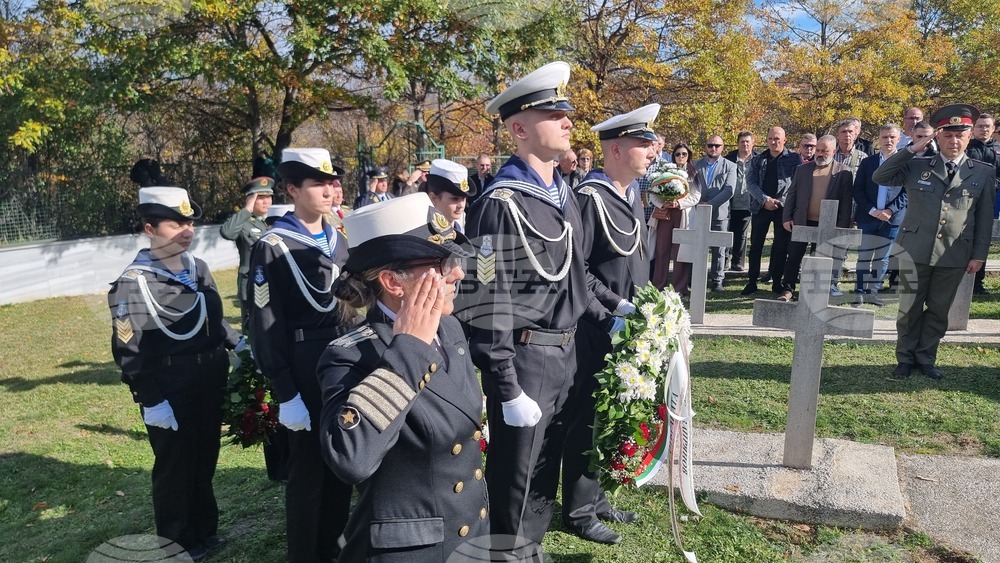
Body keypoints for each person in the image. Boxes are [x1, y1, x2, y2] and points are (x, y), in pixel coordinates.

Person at [459, 61, 615, 560]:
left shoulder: (561, 193)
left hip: (566, 352)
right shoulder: (501, 202)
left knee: (545, 464)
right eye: (553, 112)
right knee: (516, 471)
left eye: (566, 111)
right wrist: (504, 384)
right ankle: (508, 553)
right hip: (525, 359)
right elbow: (486, 302)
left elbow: (574, 277)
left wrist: (616, 311)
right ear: (520, 128)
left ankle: (531, 546)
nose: (568, 120)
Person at [317, 193, 486, 562]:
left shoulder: (450, 327)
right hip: (412, 551)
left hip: (468, 530)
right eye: (443, 264)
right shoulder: (349, 355)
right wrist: (409, 347)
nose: (457, 272)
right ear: (393, 282)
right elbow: (350, 459)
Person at [109, 187, 241, 561]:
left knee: (204, 457)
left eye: (189, 221)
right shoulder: (134, 282)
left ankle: (204, 530)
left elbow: (213, 320)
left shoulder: (197, 268)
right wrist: (150, 399)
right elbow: (128, 349)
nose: (187, 229)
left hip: (209, 376)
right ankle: (177, 541)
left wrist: (237, 343)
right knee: (175, 467)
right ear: (150, 227)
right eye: (175, 222)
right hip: (169, 385)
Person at [247, 148, 358, 562]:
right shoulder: (273, 246)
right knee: (309, 472)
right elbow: (264, 322)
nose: (330, 190)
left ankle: (335, 547)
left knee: (342, 459)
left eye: (331, 182)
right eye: (318, 183)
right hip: (303, 362)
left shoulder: (339, 237)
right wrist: (285, 391)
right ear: (292, 189)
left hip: (343, 358)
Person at [563, 104, 657, 545]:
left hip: (627, 323)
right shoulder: (589, 196)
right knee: (586, 415)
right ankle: (579, 510)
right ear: (617, 149)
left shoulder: (631, 193)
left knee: (611, 412)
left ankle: (598, 498)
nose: (652, 150)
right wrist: (613, 311)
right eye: (644, 144)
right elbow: (577, 269)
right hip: (595, 324)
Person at [872, 104, 996, 380]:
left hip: (954, 253)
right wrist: (910, 149)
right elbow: (880, 177)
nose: (954, 141)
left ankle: (926, 358)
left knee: (939, 311)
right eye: (948, 135)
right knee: (909, 310)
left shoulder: (983, 172)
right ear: (937, 137)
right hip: (914, 250)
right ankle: (905, 358)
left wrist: (979, 255)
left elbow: (984, 218)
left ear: (968, 137)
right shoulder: (917, 166)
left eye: (959, 135)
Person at [775, 135, 854, 301]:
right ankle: (787, 289)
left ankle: (814, 292)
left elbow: (846, 202)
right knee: (794, 256)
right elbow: (792, 194)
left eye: (824, 151)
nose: (819, 154)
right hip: (802, 221)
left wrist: (842, 226)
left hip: (827, 224)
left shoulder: (844, 172)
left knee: (819, 258)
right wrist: (787, 217)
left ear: (833, 151)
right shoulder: (802, 169)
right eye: (818, 150)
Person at [743, 127, 802, 295]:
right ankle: (752, 281)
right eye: (770, 139)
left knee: (780, 247)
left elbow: (795, 183)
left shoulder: (793, 159)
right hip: (761, 208)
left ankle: (777, 281)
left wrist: (780, 201)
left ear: (784, 140)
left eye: (777, 139)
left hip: (783, 209)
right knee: (756, 246)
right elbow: (751, 184)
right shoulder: (758, 159)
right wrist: (765, 200)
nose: (773, 142)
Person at [853, 124, 907, 306]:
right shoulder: (868, 162)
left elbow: (907, 192)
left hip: (892, 219)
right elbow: (858, 189)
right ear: (879, 139)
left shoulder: (905, 163)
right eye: (884, 137)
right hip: (868, 217)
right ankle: (859, 292)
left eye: (892, 137)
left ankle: (872, 292)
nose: (888, 140)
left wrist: (890, 211)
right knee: (864, 256)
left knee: (882, 259)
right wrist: (872, 210)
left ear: (899, 139)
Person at [220, 176, 274, 329]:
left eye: (269, 197)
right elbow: (227, 233)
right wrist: (247, 210)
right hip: (252, 283)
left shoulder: (272, 221)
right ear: (250, 199)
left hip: (273, 282)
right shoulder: (244, 222)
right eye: (260, 198)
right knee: (253, 329)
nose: (266, 201)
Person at [649, 142, 700, 295]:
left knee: (681, 251)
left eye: (684, 154)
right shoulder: (664, 171)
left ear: (688, 156)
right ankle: (659, 286)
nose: (681, 157)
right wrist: (663, 203)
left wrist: (679, 202)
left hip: (682, 213)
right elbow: (653, 193)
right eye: (678, 154)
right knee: (661, 250)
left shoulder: (693, 173)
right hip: (665, 214)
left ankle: (679, 287)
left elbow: (696, 196)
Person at [693, 135, 736, 292]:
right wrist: (698, 203)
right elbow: (691, 186)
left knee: (719, 249)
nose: (713, 148)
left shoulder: (730, 166)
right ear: (706, 146)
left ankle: (717, 279)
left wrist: (709, 205)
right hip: (697, 211)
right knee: (698, 246)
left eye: (717, 145)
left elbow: (729, 190)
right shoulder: (695, 164)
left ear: (722, 147)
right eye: (710, 145)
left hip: (719, 214)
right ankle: (697, 277)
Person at [965, 112, 999, 294]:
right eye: (980, 126)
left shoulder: (998, 150)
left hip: (991, 200)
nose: (984, 129)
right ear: (973, 128)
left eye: (987, 126)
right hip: (967, 199)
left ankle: (978, 282)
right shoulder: (967, 148)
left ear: (993, 129)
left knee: (983, 238)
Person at [725, 131, 758, 272]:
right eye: (742, 141)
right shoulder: (729, 158)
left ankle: (737, 261)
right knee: (727, 232)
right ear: (738, 143)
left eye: (747, 141)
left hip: (749, 203)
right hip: (729, 202)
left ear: (753, 143)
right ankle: (724, 260)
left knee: (741, 234)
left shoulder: (758, 159)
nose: (745, 144)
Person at [427, 158, 476, 231]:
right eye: (455, 199)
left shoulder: (461, 230)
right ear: (433, 198)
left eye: (464, 199)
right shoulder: (423, 236)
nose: (461, 205)